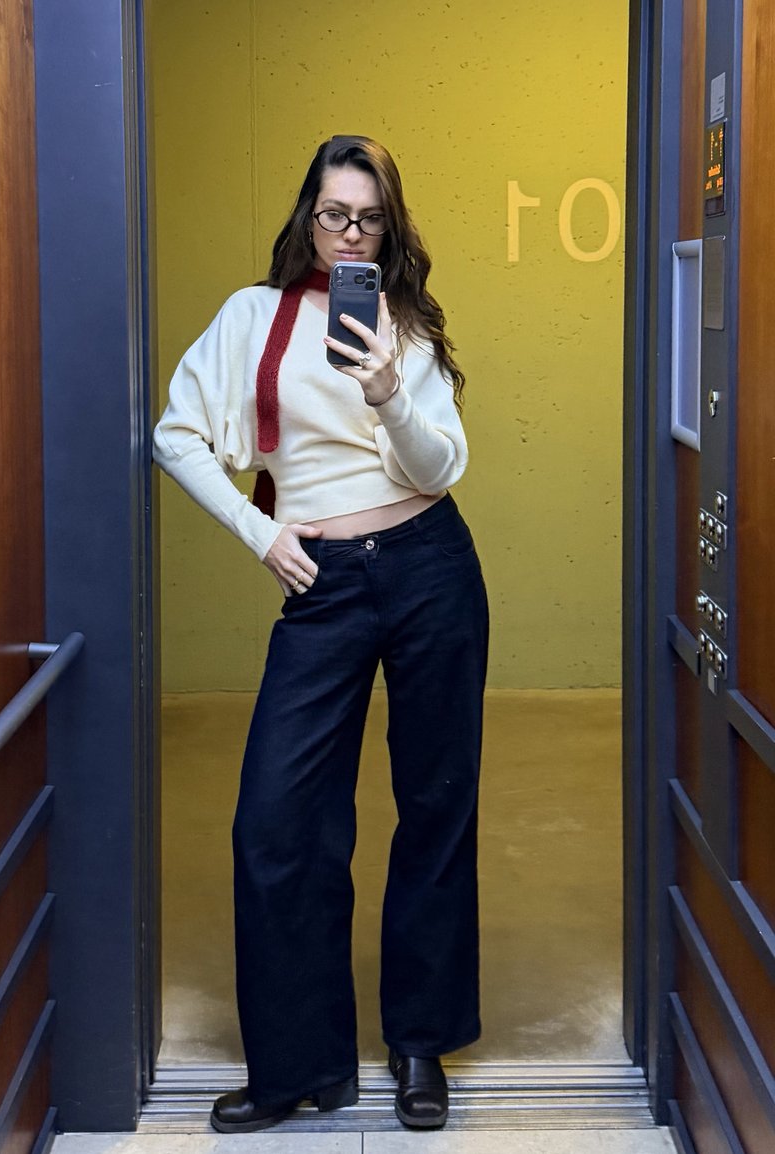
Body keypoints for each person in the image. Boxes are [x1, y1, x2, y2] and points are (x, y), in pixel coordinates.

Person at [153, 134, 488, 1133]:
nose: (347, 232)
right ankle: (299, 1063)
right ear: (306, 215)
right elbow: (175, 429)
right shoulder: (250, 316)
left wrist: (387, 387)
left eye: (367, 217)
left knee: (433, 804)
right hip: (322, 584)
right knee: (276, 821)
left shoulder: (407, 328)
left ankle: (418, 1042)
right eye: (332, 212)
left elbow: (438, 470)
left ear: (389, 230)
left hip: (429, 568)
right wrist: (261, 533)